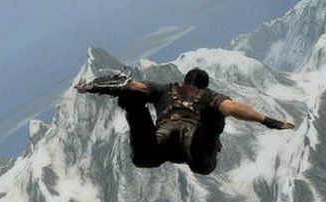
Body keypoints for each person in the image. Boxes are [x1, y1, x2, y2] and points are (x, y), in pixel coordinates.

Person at [74, 67, 295, 175]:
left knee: (134, 107)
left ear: (184, 80)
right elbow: (233, 108)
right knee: (210, 133)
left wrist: (91, 86)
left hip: (160, 142)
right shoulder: (209, 96)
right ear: (205, 85)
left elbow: (133, 87)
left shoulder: (164, 89)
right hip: (192, 147)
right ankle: (206, 134)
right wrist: (270, 121)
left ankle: (137, 111)